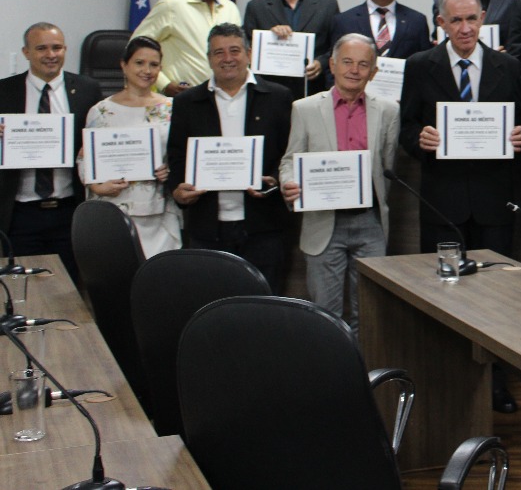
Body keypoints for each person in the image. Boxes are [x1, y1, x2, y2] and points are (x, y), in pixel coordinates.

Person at [280, 34, 398, 334]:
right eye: (347, 62)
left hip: (369, 223)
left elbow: (388, 165)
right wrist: (289, 182)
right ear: (332, 64)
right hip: (323, 223)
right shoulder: (304, 108)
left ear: (374, 72)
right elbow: (290, 159)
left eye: (363, 64)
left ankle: (366, 377)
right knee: (325, 315)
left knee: (370, 313)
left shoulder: (388, 110)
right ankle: (330, 379)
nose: (354, 70)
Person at [167, 24, 293, 292]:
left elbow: (288, 155)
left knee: (264, 307)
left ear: (248, 53)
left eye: (234, 50)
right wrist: (178, 191)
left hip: (263, 227)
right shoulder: (187, 102)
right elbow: (176, 156)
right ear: (209, 58)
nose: (227, 59)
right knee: (211, 307)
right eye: (218, 52)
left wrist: (274, 182)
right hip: (207, 228)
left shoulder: (278, 97)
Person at [400, 0, 521, 257]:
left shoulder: (509, 67)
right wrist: (421, 140)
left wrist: (519, 137)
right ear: (441, 23)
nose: (465, 28)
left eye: (471, 18)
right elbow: (406, 127)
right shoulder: (419, 66)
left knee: (496, 287)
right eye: (456, 20)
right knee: (444, 290)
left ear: (482, 17)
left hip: (494, 200)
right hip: (442, 201)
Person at [0, 23, 103, 282]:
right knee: (23, 287)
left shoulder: (88, 90)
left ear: (65, 49)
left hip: (69, 210)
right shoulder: (4, 91)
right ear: (26, 52)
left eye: (57, 47)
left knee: (69, 288)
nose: (50, 54)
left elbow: (96, 142)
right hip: (20, 214)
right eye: (41, 48)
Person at [78, 36, 181, 258]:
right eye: (139, 63)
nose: (147, 70)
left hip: (157, 211)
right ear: (124, 65)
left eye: (154, 65)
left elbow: (181, 155)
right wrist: (96, 186)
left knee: (157, 280)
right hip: (114, 209)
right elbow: (84, 158)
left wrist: (171, 170)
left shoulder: (173, 108)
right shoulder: (101, 110)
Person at [132, 0, 241, 97]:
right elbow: (135, 47)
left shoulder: (230, 8)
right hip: (181, 98)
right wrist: (164, 84)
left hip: (223, 97)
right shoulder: (171, 4)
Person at [242, 0, 340, 99]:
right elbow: (247, 50)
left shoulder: (328, 5)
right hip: (268, 96)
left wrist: (321, 64)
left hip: (313, 92)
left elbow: (336, 47)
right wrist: (269, 38)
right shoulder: (256, 7)